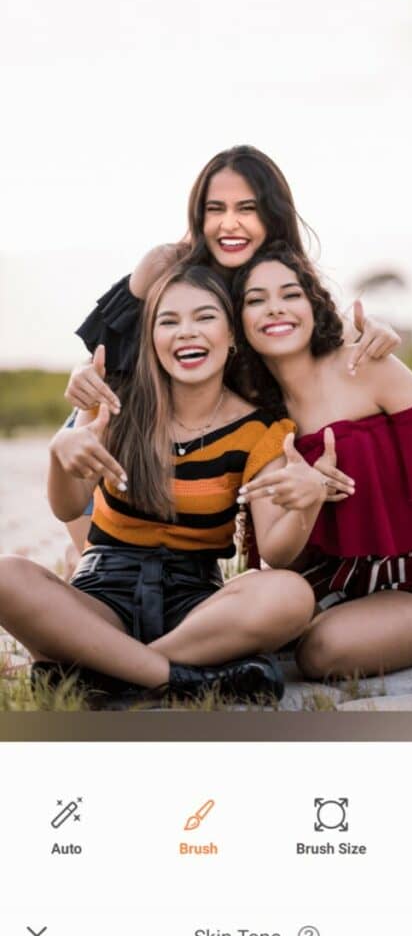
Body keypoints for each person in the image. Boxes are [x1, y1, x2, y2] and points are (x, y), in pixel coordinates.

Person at [0, 264, 333, 705]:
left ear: (232, 335)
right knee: (6, 573)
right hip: (102, 595)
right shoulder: (114, 402)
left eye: (205, 317)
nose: (186, 333)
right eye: (168, 322)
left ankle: (108, 671)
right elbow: (67, 507)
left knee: (290, 595)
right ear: (151, 340)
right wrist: (61, 454)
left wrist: (305, 503)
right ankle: (173, 678)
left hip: (195, 609)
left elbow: (277, 552)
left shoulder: (260, 430)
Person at [63, 146, 400, 554]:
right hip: (132, 417)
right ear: (198, 215)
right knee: (95, 534)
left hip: (230, 424)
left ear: (272, 214)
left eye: (247, 209)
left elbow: (321, 337)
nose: (229, 224)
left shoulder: (282, 272)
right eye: (215, 209)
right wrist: (82, 372)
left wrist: (374, 332)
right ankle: (86, 558)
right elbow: (111, 344)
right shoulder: (167, 263)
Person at [230, 242, 412, 680]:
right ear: (239, 323)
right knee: (236, 610)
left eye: (290, 294)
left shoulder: (365, 366)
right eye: (256, 300)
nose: (275, 309)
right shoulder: (257, 416)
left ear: (314, 305)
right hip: (329, 584)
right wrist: (307, 498)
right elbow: (280, 556)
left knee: (322, 651)